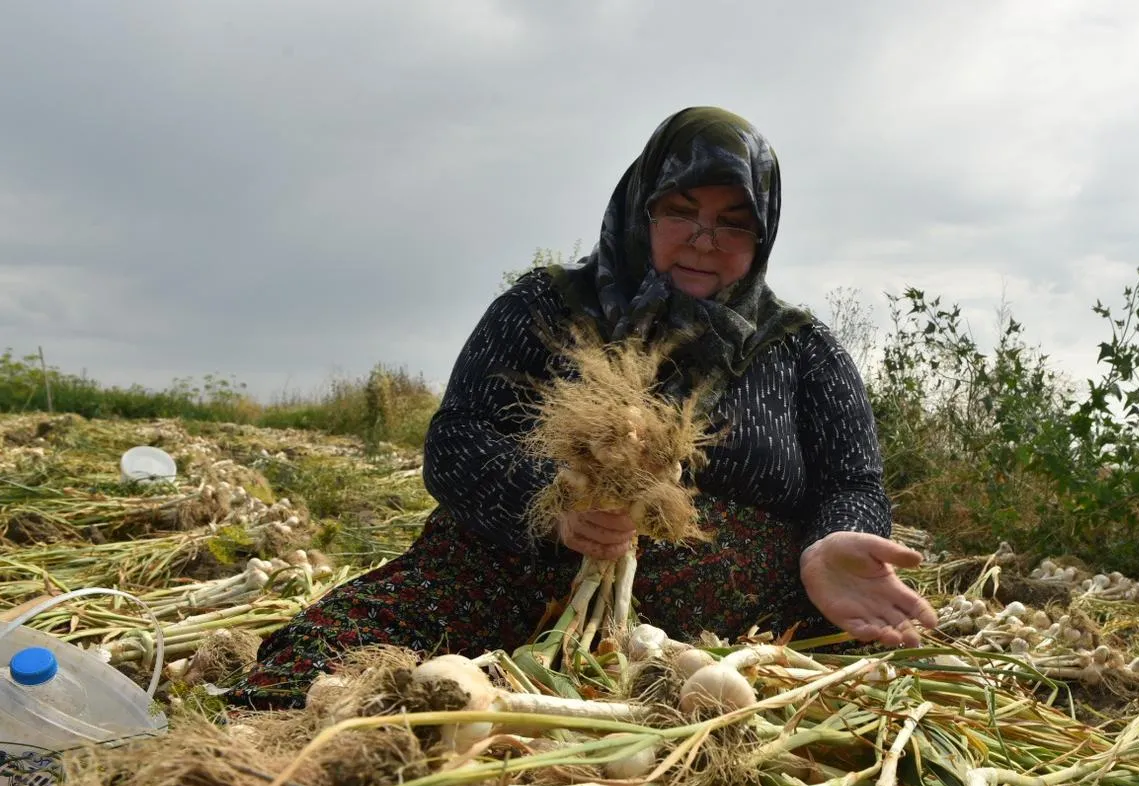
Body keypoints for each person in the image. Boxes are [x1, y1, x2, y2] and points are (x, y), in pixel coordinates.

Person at [237, 106, 934, 707]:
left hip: (725, 636)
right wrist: (553, 502)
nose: (703, 239)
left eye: (732, 223)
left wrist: (827, 542)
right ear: (640, 207)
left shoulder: (800, 349)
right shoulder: (544, 307)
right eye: (680, 211)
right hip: (514, 581)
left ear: (764, 234)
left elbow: (851, 480)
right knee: (318, 665)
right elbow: (458, 439)